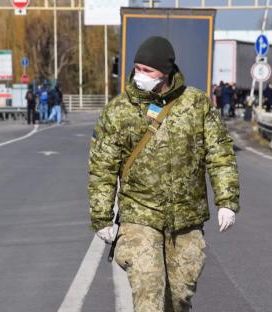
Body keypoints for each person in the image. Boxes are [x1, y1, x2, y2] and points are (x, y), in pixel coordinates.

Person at [88, 36, 240, 312]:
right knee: (149, 291)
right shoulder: (120, 110)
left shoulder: (195, 104)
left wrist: (227, 201)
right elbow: (102, 166)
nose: (140, 76)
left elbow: (220, 154)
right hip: (139, 214)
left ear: (166, 72)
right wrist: (101, 217)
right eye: (137, 68)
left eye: (148, 70)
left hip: (186, 216)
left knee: (180, 295)